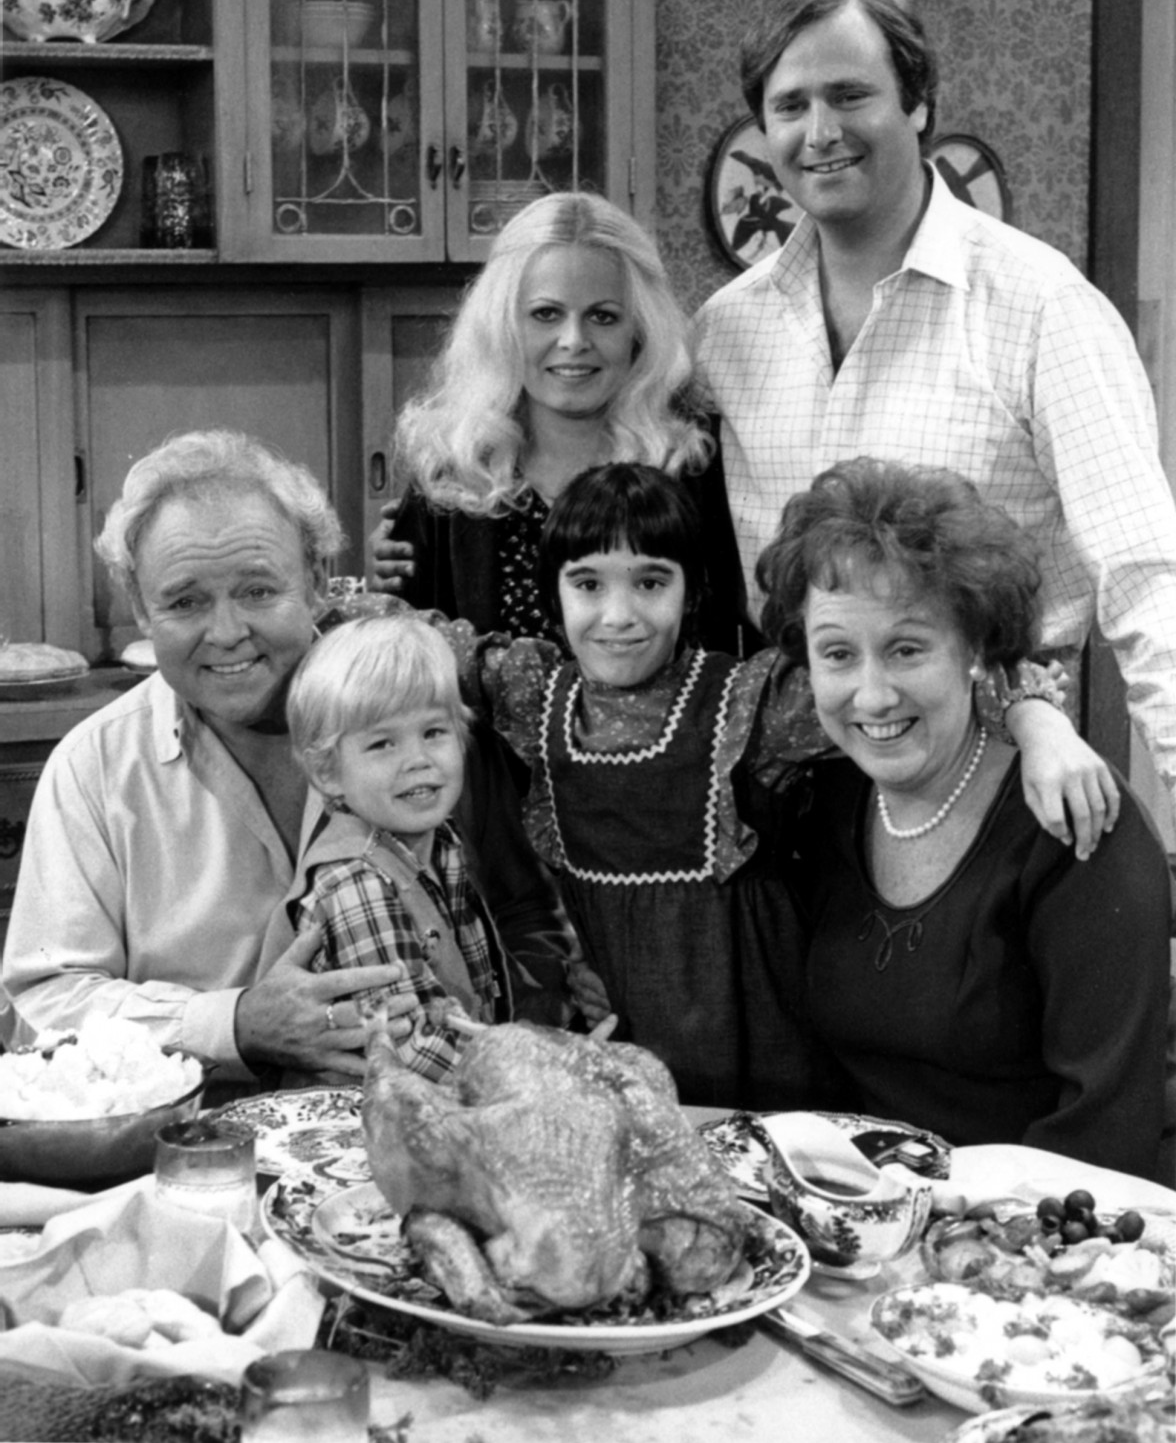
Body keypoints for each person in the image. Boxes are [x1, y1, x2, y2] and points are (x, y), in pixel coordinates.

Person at [393, 463, 1112, 1111]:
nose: (618, 615)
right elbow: (407, 636)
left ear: (693, 591)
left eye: (650, 582)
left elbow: (957, 676)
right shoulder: (530, 693)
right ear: (552, 593)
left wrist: (1039, 720)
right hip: (617, 1045)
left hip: (763, 1054)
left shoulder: (748, 704)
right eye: (588, 584)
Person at [694, 0, 1176, 826]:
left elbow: (1148, 578)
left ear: (918, 104)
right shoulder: (725, 332)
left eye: (850, 95)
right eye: (791, 105)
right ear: (763, 130)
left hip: (993, 775)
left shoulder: (1042, 307)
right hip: (785, 807)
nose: (821, 132)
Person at [0, 432, 575, 1095]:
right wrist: (235, 1025)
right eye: (185, 601)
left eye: (257, 590)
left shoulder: (424, 723)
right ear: (140, 609)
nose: (226, 633)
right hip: (199, 1135)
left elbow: (528, 923)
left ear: (317, 581)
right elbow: (42, 1006)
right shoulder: (94, 768)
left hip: (448, 1111)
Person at [756, 457, 1170, 1181]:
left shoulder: (1075, 827)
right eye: (838, 654)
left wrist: (956, 1228)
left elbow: (1107, 1124)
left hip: (1053, 1218)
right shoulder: (822, 804)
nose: (872, 695)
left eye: (907, 649)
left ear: (975, 648)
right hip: (877, 1211)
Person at [369, 190, 747, 656]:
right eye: (546, 314)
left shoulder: (695, 464)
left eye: (603, 317)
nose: (573, 340)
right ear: (503, 325)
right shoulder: (452, 475)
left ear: (639, 329)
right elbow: (410, 663)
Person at [284, 616, 512, 1082]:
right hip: (371, 1113)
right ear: (327, 772)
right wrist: (531, 1079)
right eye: (383, 743)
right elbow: (408, 1045)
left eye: (434, 732)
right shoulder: (356, 881)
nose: (418, 760)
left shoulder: (440, 843)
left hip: (450, 1099)